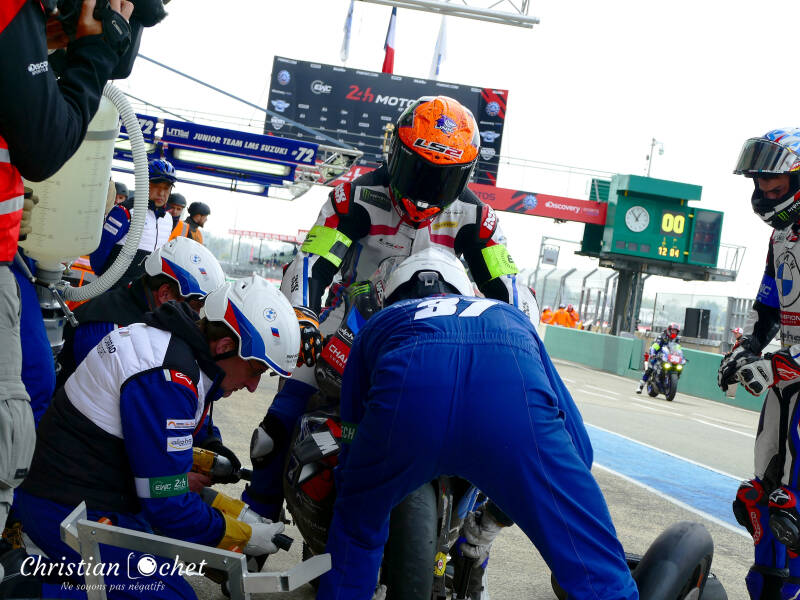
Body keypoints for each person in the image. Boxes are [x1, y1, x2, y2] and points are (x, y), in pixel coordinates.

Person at [242, 95, 537, 520]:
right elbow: (313, 262)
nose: (427, 188)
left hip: (442, 335)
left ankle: (476, 540)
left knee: (509, 429)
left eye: (443, 177)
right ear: (395, 152)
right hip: (351, 321)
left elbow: (506, 284)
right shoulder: (353, 198)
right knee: (280, 421)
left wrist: (524, 343)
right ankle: (259, 512)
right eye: (419, 170)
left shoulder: (478, 217)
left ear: (466, 174)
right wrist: (303, 314)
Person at [316, 250, 637, 600]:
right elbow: (580, 449)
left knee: (356, 528)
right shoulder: (508, 315)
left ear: (391, 296)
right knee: (594, 565)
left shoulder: (381, 322)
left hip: (407, 413)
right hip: (509, 416)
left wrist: (358, 490)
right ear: (463, 291)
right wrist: (497, 515)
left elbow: (353, 433)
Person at [5, 277, 298, 599]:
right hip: (64, 510)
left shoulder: (169, 346)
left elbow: (158, 476)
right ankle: (21, 591)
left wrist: (222, 506)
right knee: (167, 596)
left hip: (85, 494)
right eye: (256, 370)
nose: (254, 386)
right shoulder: (168, 378)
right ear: (225, 346)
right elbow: (168, 506)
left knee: (165, 573)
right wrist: (242, 535)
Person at [0, 0, 140, 572]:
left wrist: (63, 44)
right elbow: (43, 145)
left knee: (34, 383)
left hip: (14, 258)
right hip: (12, 262)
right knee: (19, 408)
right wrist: (95, 53)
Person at [718, 128, 800, 600]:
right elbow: (768, 305)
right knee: (760, 498)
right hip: (787, 379)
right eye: (760, 184)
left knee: (793, 507)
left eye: (775, 184)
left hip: (791, 373)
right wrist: (745, 348)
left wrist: (777, 365)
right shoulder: (780, 236)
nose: (765, 192)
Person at [56, 237, 226, 406]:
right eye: (196, 307)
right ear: (165, 294)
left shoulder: (136, 306)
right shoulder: (111, 329)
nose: (197, 317)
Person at [90, 158, 177, 287]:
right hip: (115, 287)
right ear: (144, 184)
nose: (161, 193)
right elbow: (101, 249)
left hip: (144, 288)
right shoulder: (125, 211)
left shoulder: (168, 219)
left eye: (166, 188)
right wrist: (103, 279)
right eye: (156, 186)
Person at [636, 322, 680, 394]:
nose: (674, 332)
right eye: (673, 330)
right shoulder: (662, 336)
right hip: (658, 353)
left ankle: (669, 382)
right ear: (669, 330)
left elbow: (677, 349)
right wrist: (653, 353)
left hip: (668, 356)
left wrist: (680, 356)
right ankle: (640, 386)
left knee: (677, 367)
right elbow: (655, 346)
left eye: (676, 331)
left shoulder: (676, 339)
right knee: (651, 368)